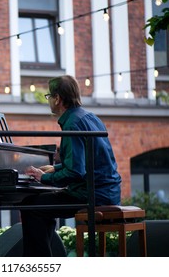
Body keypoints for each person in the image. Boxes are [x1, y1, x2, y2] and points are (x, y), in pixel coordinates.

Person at [22, 75, 121, 256]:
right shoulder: (89, 117)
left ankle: (39, 266)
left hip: (92, 195)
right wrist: (55, 169)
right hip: (108, 191)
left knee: (31, 206)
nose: (49, 100)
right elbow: (84, 162)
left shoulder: (72, 124)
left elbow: (75, 172)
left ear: (58, 98)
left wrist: (43, 177)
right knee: (41, 205)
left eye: (49, 96)